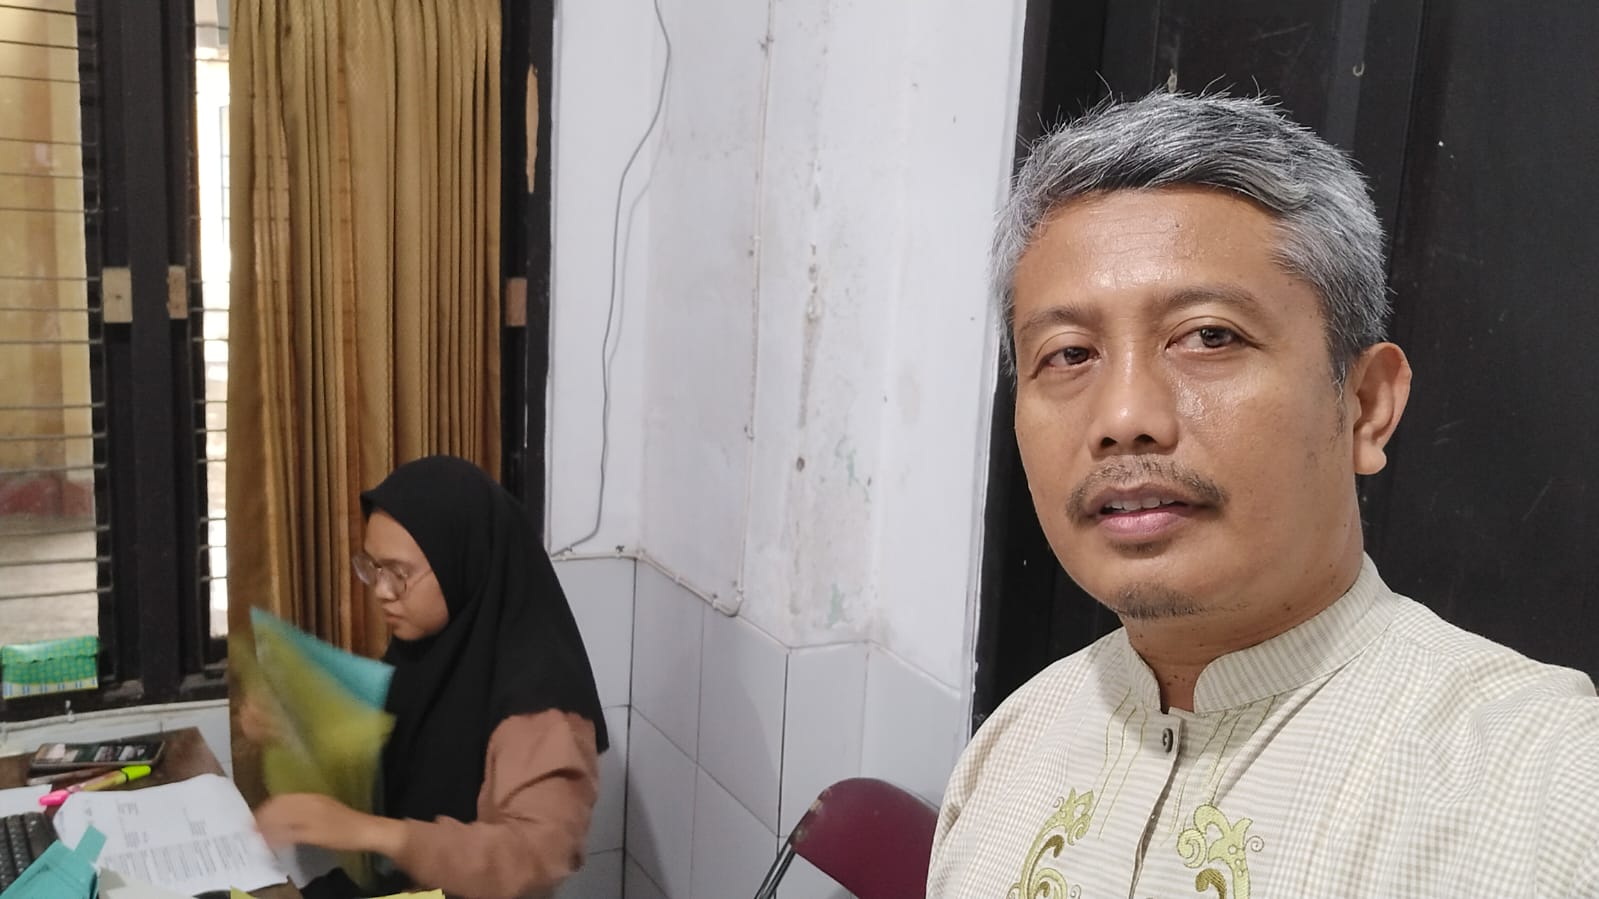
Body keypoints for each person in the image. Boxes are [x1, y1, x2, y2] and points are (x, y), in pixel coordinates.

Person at [928, 92, 1599, 897]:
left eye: (1209, 336)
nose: (1123, 418)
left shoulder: (1550, 793)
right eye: (1068, 354)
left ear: (1364, 405)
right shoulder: (1006, 751)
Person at [249, 455, 609, 899]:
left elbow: (536, 857)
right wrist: (294, 732)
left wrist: (373, 833)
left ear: (463, 561)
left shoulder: (541, 700)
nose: (382, 591)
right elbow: (386, 756)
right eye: (373, 568)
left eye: (399, 573)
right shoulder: (432, 646)